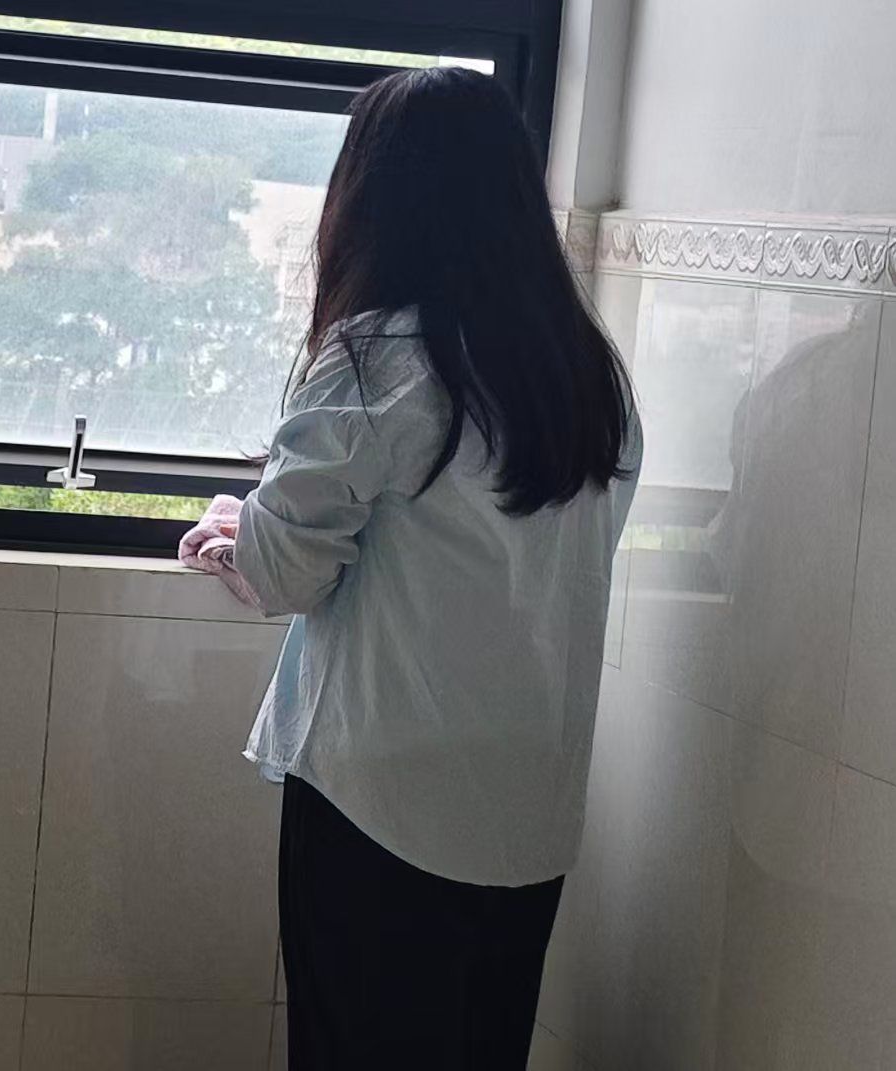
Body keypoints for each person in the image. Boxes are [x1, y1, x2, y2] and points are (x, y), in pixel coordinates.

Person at [188, 67, 640, 1069]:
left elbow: (285, 572)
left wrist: (235, 532)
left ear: (372, 198)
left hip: (382, 805)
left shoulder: (378, 358)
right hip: (528, 808)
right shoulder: (583, 373)